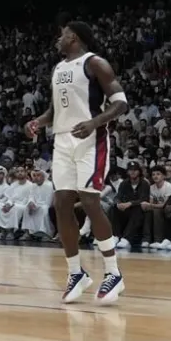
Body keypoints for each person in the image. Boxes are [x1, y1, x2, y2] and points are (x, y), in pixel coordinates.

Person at [26, 21, 129, 305]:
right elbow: (55, 109)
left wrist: (95, 122)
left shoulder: (95, 63)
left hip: (91, 140)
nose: (58, 39)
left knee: (90, 201)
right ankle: (76, 273)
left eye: (62, 34)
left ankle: (113, 272)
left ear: (73, 36)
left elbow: (120, 103)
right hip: (62, 140)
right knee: (60, 204)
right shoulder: (59, 68)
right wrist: (38, 122)